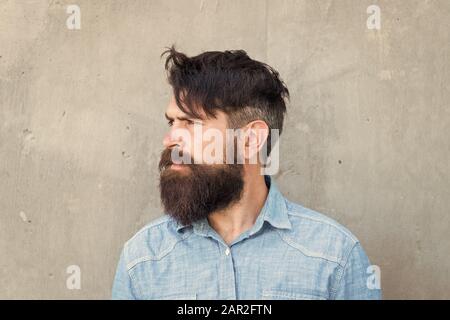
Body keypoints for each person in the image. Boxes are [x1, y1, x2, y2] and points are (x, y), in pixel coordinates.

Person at [111, 46, 382, 300]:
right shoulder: (142, 259)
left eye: (191, 123)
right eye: (172, 122)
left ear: (251, 139)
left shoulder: (335, 256)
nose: (170, 139)